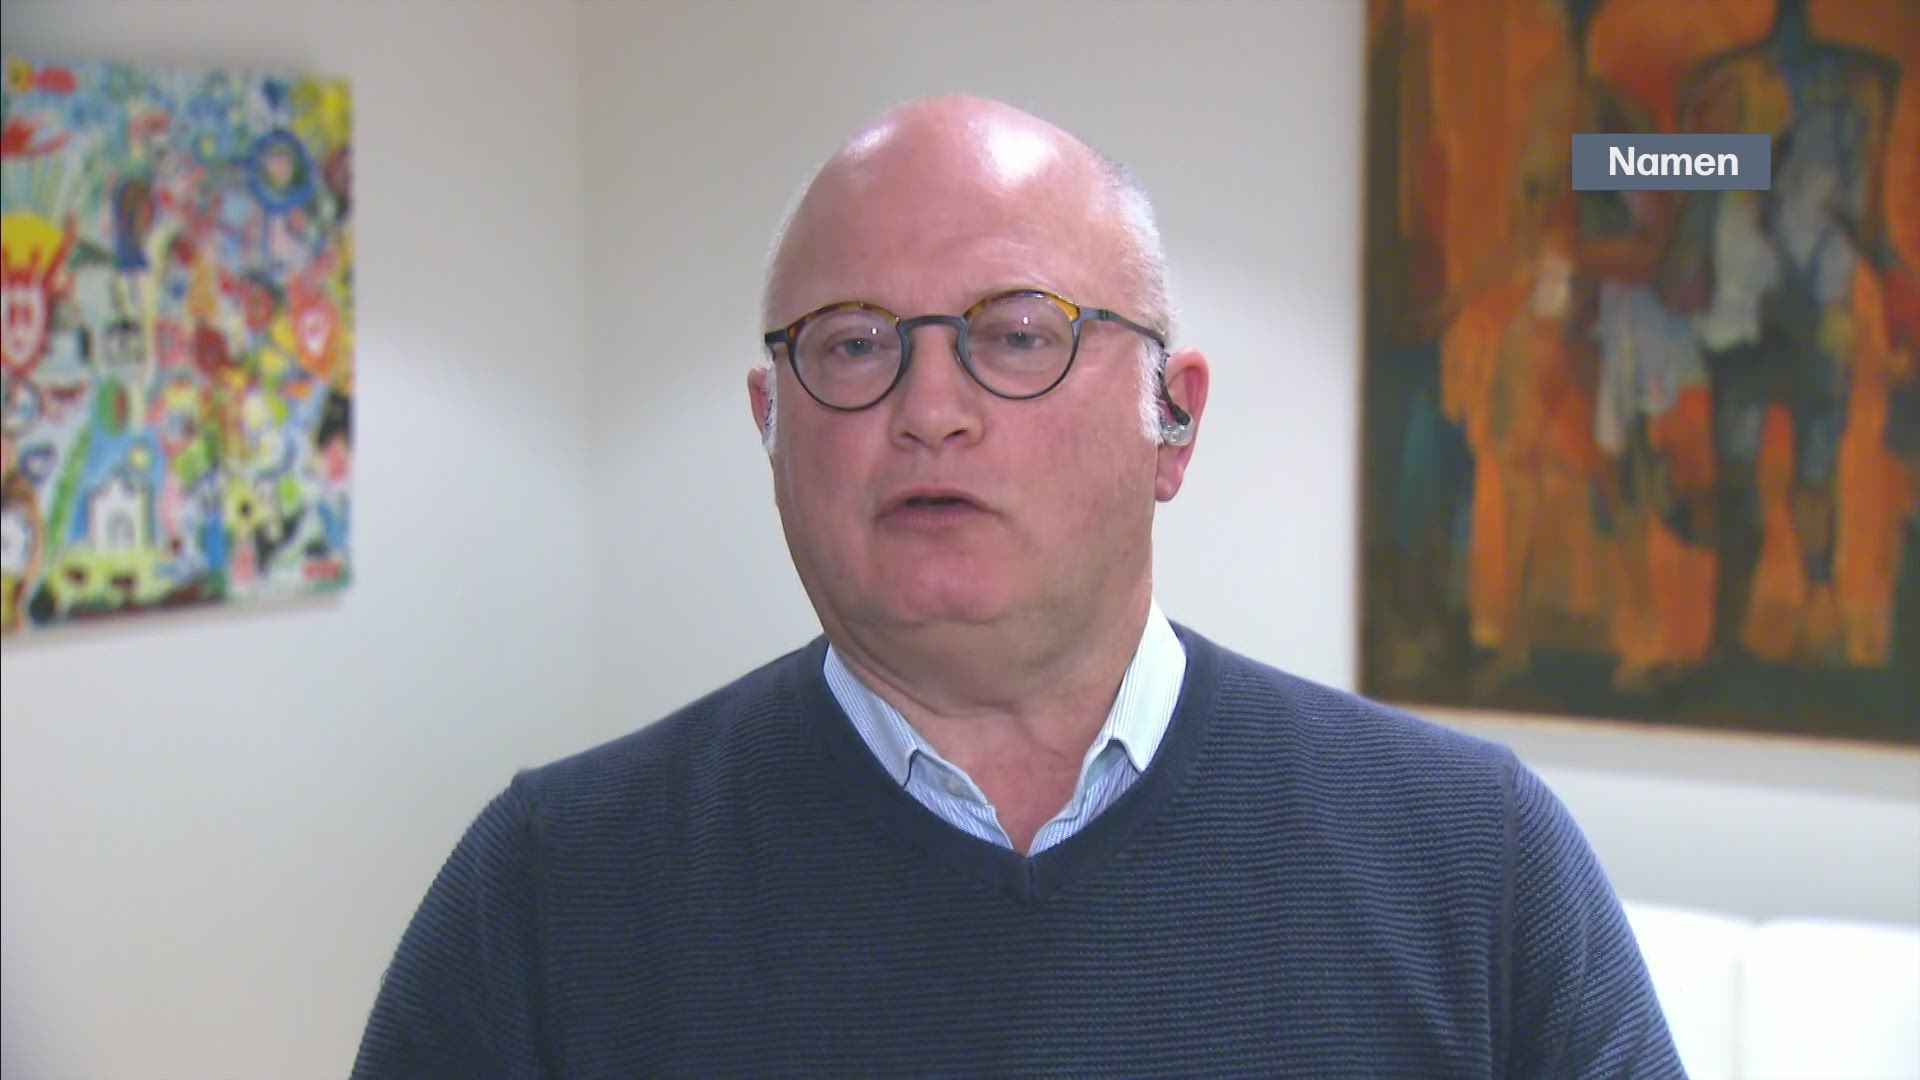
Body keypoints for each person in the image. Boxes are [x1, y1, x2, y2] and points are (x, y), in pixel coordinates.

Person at [352, 96, 1682, 1077]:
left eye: (1018, 335)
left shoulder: (1475, 862)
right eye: (853, 344)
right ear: (770, 424)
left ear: (1174, 423)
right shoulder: (551, 891)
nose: (930, 407)